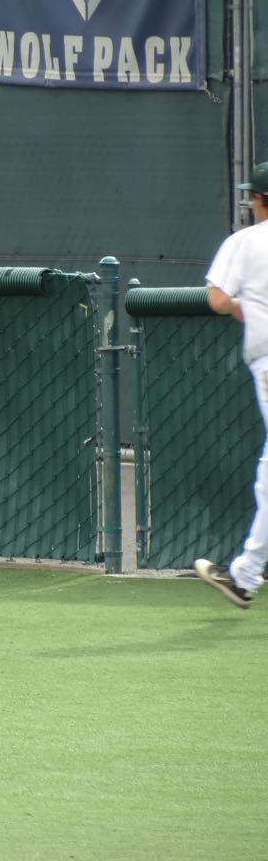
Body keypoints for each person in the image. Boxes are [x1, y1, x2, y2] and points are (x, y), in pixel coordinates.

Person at [195, 161, 268, 609]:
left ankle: (245, 575)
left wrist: (242, 306)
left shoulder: (245, 241)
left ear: (259, 199)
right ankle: (245, 574)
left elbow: (218, 298)